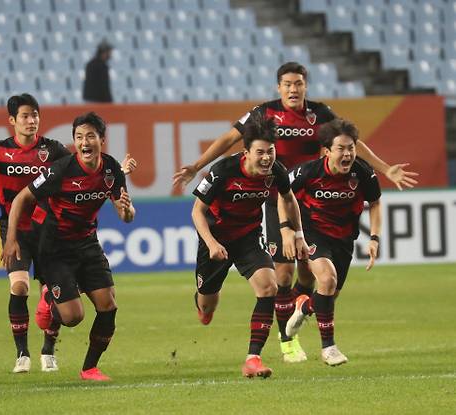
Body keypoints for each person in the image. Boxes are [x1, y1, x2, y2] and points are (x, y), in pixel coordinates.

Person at [173, 61, 417, 363]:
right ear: (279, 87)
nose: (293, 88)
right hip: (277, 198)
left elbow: (349, 143)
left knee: (310, 276)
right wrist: (197, 166)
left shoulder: (321, 114)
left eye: (298, 83)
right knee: (283, 275)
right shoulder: (264, 112)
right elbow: (229, 139)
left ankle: (299, 311)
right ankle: (287, 341)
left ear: (305, 86)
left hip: (307, 201)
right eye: (287, 83)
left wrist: (385, 169)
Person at [0, 94, 137, 374]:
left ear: (101, 140)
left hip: (88, 244)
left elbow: (125, 215)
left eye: (90, 136)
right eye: (78, 137)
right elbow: (20, 199)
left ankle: (89, 368)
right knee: (73, 317)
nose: (84, 142)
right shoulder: (62, 169)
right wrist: (10, 238)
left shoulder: (113, 169)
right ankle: (50, 303)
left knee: (109, 304)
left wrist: (127, 210)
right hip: (55, 249)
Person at [191, 115, 308, 378]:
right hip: (217, 238)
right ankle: (202, 306)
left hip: (248, 237)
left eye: (271, 151)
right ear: (246, 153)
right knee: (207, 304)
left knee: (269, 286)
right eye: (260, 153)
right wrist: (211, 243)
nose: (266, 158)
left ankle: (253, 358)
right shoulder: (223, 171)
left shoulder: (276, 171)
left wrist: (297, 233)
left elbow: (288, 200)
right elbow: (197, 212)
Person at [284, 118, 381, 366]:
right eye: (341, 148)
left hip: (344, 238)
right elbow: (284, 197)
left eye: (351, 147)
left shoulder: (363, 172)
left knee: (329, 295)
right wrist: (289, 231)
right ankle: (329, 348)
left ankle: (305, 307)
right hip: (313, 233)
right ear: (327, 151)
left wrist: (374, 238)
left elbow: (375, 203)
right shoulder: (308, 172)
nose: (347, 153)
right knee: (327, 279)